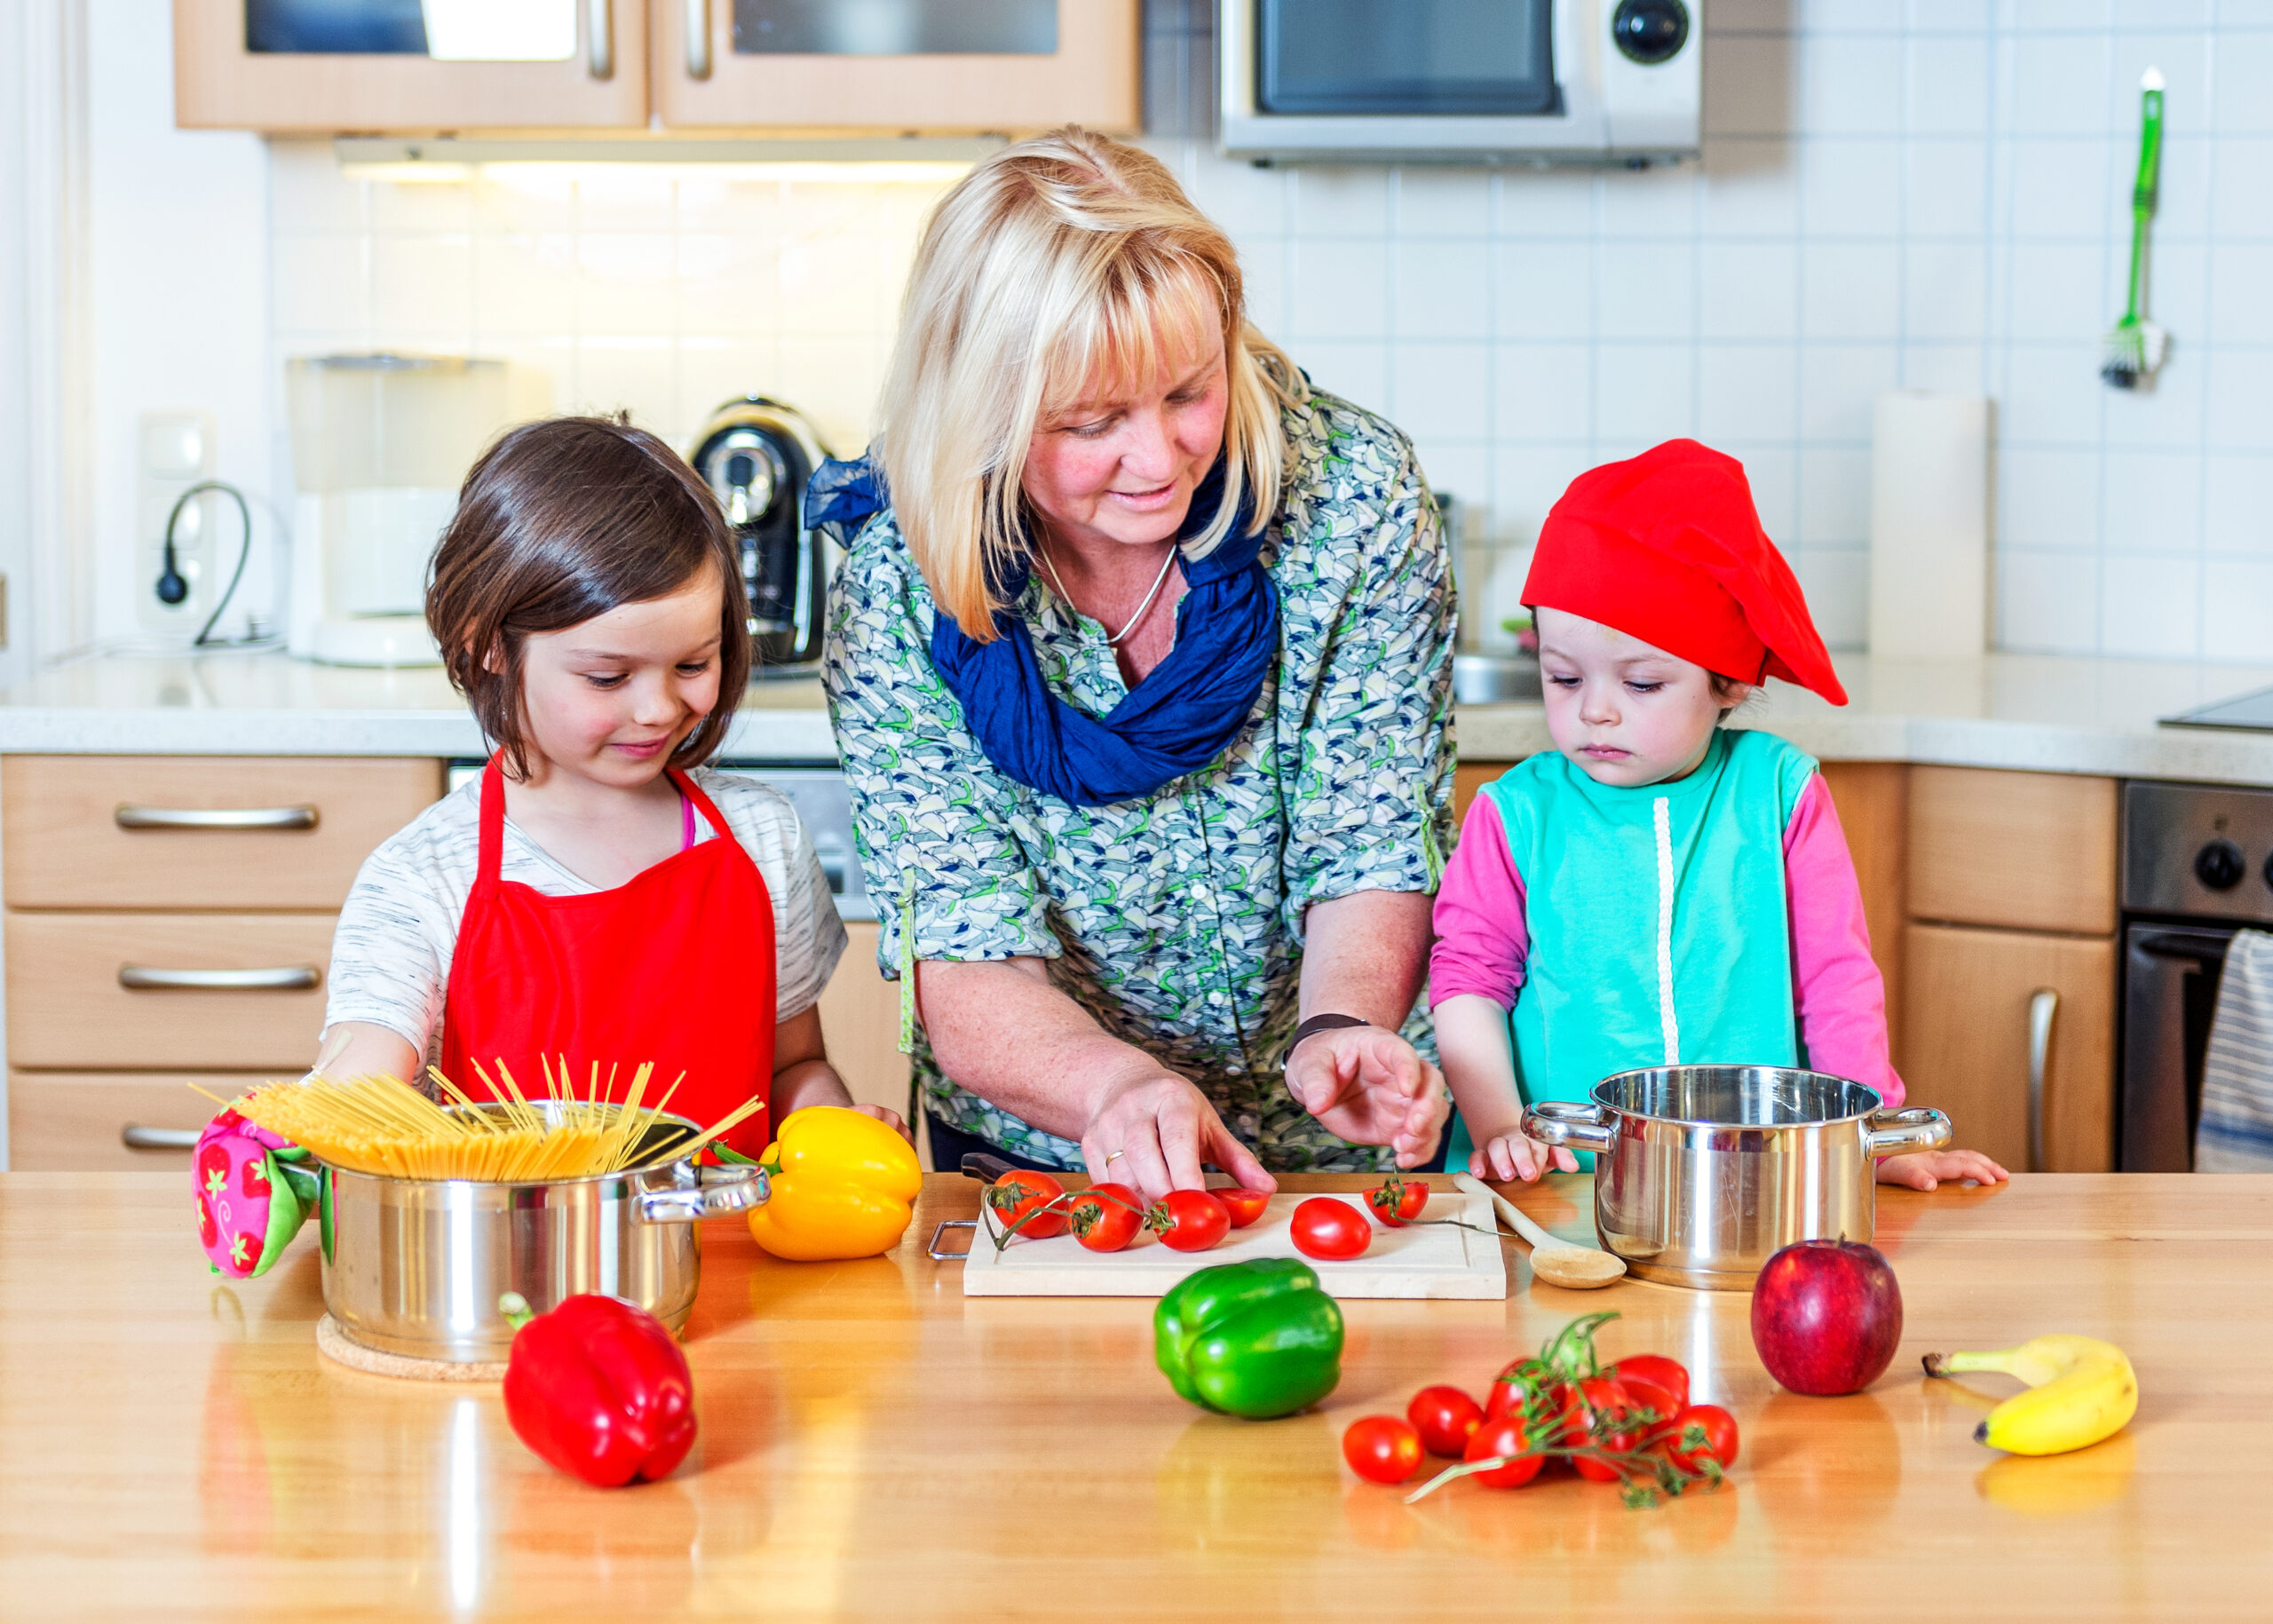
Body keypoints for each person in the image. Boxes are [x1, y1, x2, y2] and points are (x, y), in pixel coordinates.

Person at [815, 128, 1453, 1201]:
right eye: (1091, 421)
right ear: (983, 414)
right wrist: (1114, 1086)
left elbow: (1371, 839)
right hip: (1057, 1157)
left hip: (1342, 1144)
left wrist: (1340, 1030)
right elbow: (969, 951)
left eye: (1188, 392)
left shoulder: (1353, 497)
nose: (1157, 461)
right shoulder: (899, 592)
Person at [1430, 439, 2008, 1193]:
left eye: (1642, 684)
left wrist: (1874, 1140)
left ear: (1728, 682)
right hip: (1558, 1180)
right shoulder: (1514, 815)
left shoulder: (1779, 793)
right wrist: (1503, 1126)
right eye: (1563, 676)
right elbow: (1469, 981)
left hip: (1751, 1183)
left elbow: (1836, 981)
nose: (1594, 710)